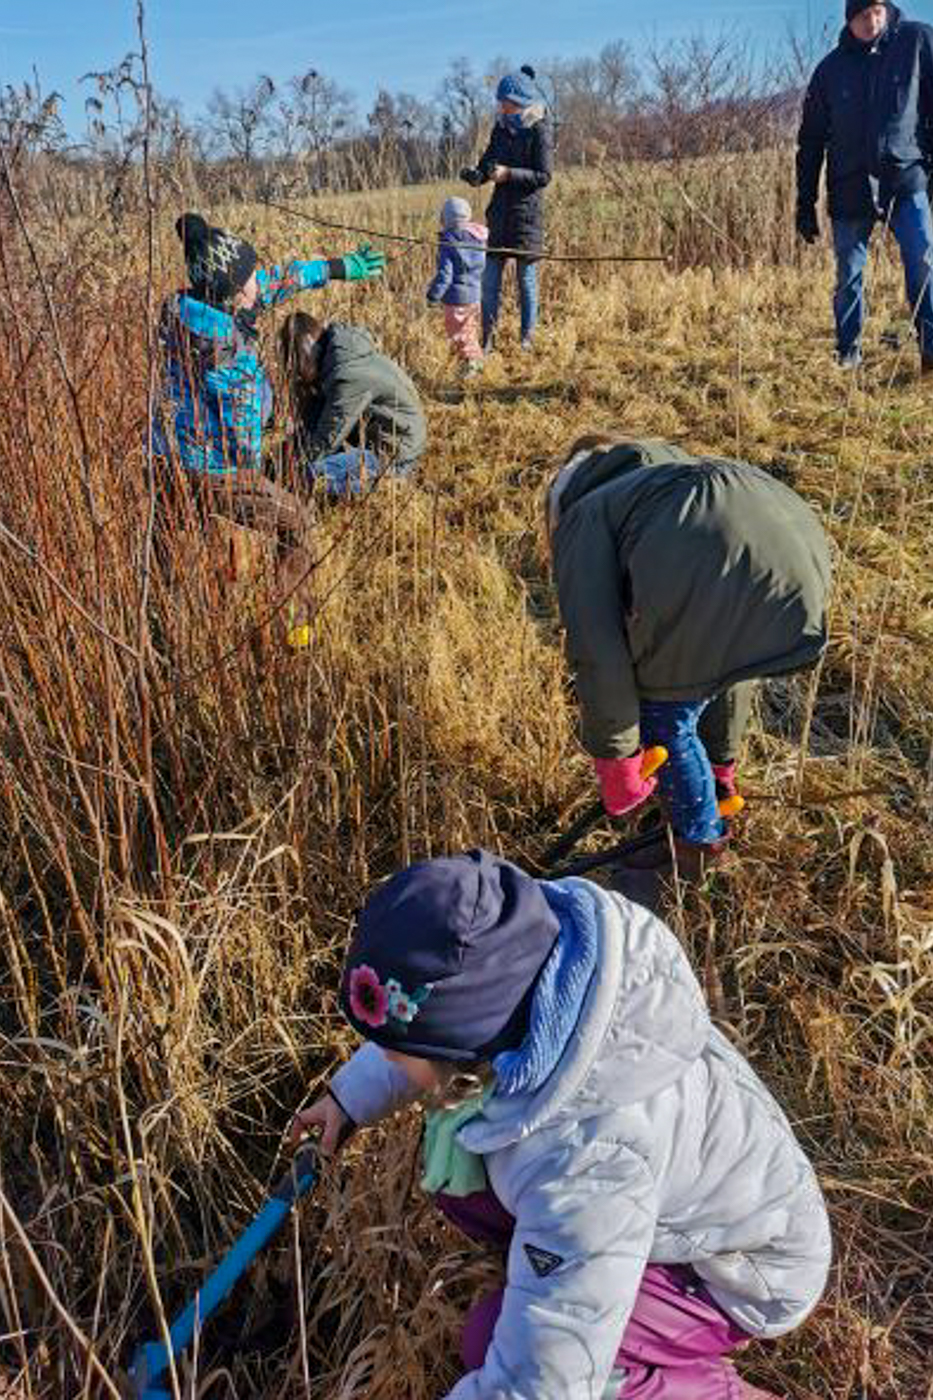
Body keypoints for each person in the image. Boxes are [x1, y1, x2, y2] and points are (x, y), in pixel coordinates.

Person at [291, 849, 832, 1400]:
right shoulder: (541, 960)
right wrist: (350, 1098)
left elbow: (544, 1382)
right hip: (663, 1203)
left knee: (489, 1342)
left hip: (738, 1273)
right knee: (479, 1200)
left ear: (470, 1050)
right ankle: (560, 1263)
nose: (387, 1060)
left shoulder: (591, 1158)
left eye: (398, 1052)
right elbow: (434, 1020)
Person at [545, 434, 832, 882]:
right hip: (796, 547)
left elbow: (599, 653)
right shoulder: (668, 485)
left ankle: (697, 846)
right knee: (722, 664)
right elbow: (728, 668)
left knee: (663, 714)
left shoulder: (588, 513)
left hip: (724, 561)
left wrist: (617, 759)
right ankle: (709, 791)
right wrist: (721, 759)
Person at [796, 1, 933, 371]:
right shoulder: (830, 70)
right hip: (850, 186)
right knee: (849, 273)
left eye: (877, 10)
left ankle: (931, 351)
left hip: (906, 177)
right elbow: (810, 140)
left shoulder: (918, 42)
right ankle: (848, 354)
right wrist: (804, 204)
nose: (871, 21)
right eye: (861, 16)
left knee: (923, 260)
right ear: (848, 19)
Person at [278, 312, 426, 494]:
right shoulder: (338, 357)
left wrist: (290, 468)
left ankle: (388, 485)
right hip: (377, 437)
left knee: (310, 476)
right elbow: (315, 422)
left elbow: (328, 438)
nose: (297, 374)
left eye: (297, 364)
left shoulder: (348, 376)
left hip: (393, 452)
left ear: (308, 350)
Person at [461, 71, 552, 353]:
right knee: (489, 283)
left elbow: (543, 176)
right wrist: (478, 176)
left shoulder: (539, 129)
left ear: (521, 102)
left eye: (507, 102)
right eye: (501, 102)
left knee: (526, 282)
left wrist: (509, 174)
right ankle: (488, 341)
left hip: (526, 218)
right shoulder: (500, 128)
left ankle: (527, 340)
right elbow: (489, 163)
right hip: (499, 216)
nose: (502, 107)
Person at [426, 196, 488, 378]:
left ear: (445, 219)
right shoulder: (478, 238)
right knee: (469, 331)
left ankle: (471, 369)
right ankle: (476, 365)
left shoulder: (448, 242)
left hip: (456, 298)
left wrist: (432, 295)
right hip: (475, 295)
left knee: (460, 335)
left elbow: (445, 275)